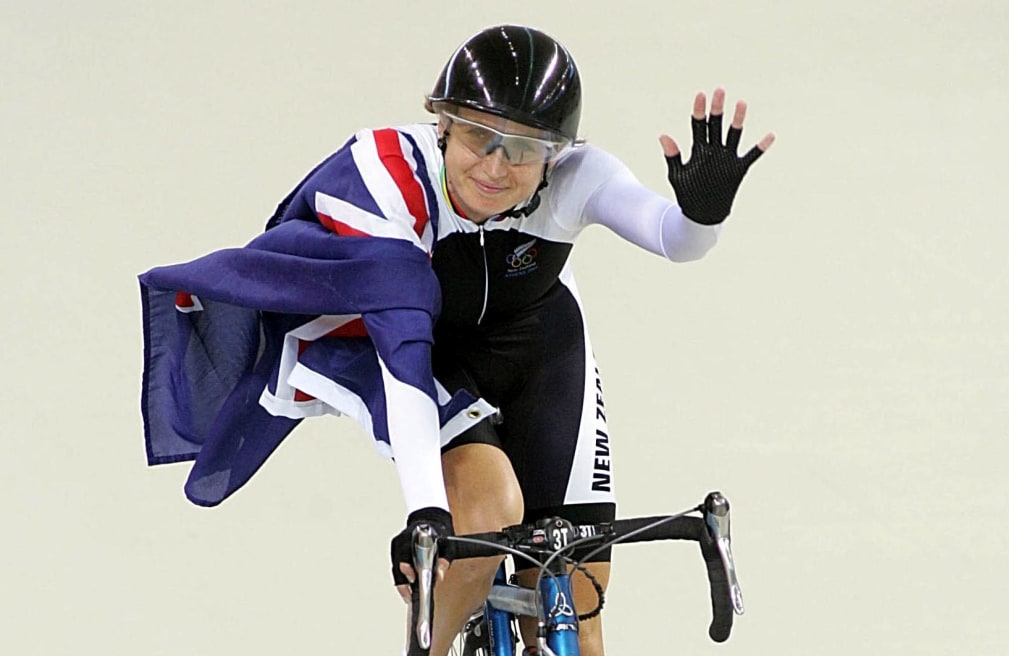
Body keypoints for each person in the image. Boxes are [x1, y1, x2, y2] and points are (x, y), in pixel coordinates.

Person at [137, 24, 772, 656]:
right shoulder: (385, 179)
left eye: (524, 148)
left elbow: (673, 239)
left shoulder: (580, 176)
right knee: (488, 511)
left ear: (557, 153)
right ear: (441, 124)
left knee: (578, 610)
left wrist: (701, 216)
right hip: (395, 344)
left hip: (532, 340)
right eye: (477, 136)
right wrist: (428, 517)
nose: (496, 167)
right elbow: (406, 363)